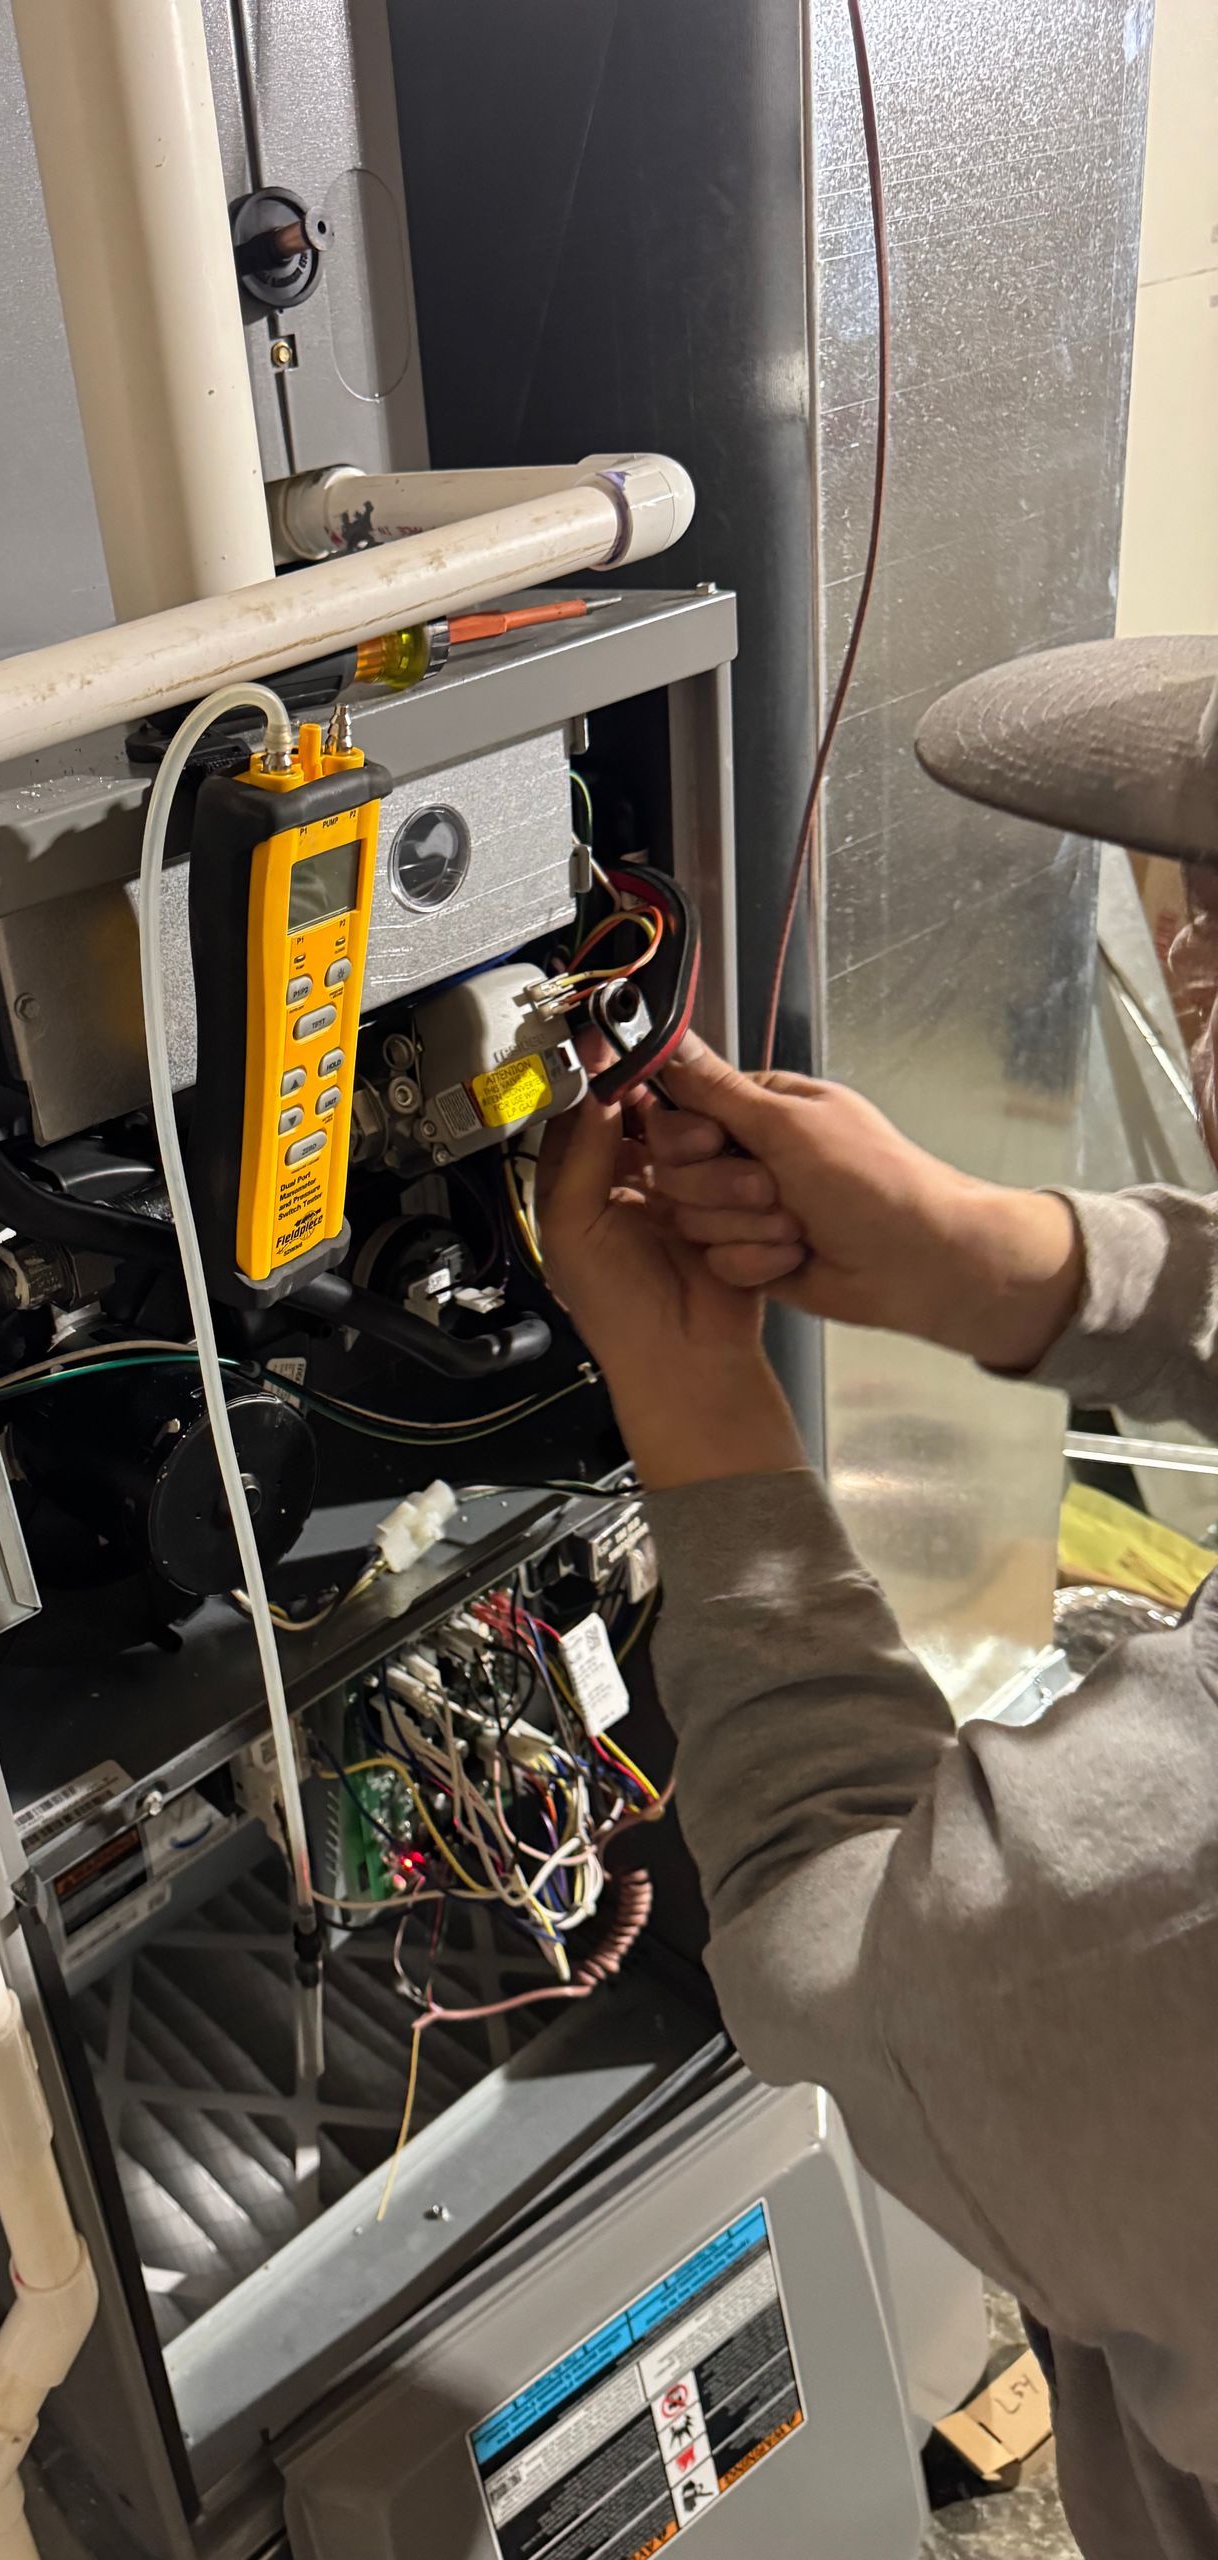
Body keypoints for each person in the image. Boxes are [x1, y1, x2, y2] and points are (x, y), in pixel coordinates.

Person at [534, 633, 1218, 2560]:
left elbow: (836, 1928)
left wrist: (698, 1404)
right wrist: (1010, 1265)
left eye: (1211, 935)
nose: (1183, 974)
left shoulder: (1159, 1904)